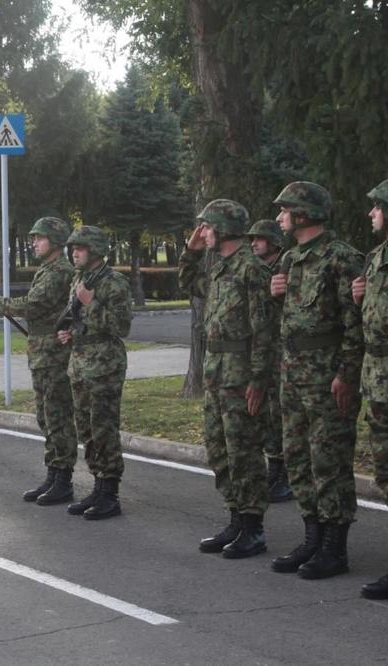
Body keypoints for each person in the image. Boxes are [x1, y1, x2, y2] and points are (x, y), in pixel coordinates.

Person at [269, 181, 363, 579]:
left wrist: (346, 375)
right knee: (298, 458)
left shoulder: (342, 258)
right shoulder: (291, 259)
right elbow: (290, 321)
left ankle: (334, 549)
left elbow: (354, 323)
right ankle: (312, 537)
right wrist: (276, 295)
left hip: (327, 377)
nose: (279, 217)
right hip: (294, 374)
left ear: (303, 214)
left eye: (284, 210)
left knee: (330, 462)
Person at [179, 201, 273, 559]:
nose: (202, 232)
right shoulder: (220, 270)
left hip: (241, 374)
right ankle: (235, 518)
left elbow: (265, 331)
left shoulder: (252, 270)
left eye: (206, 227)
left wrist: (259, 380)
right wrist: (191, 250)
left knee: (244, 452)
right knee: (219, 451)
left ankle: (253, 528)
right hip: (217, 374)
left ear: (223, 227)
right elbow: (187, 281)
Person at [0, 217, 76, 505]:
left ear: (56, 242)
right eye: (34, 238)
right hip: (42, 351)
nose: (34, 242)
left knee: (57, 415)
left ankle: (63, 479)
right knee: (46, 416)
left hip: (53, 354)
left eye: (40, 238)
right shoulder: (48, 269)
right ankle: (53, 472)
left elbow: (34, 306)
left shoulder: (60, 270)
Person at [57, 226, 132, 520]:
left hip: (105, 366)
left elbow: (120, 326)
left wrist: (90, 303)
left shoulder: (114, 282)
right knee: (86, 429)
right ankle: (98, 485)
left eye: (81, 247)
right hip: (80, 363)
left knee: (103, 428)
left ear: (96, 250)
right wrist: (69, 333)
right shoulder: (79, 279)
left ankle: (110, 493)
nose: (74, 252)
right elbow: (78, 321)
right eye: (73, 247)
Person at [352, 179, 388, 598]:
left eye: (377, 207)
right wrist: (359, 298)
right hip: (378, 378)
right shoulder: (376, 257)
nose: (371, 214)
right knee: (384, 469)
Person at [246, 220, 294, 503]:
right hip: (264, 353)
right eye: (252, 239)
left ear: (275, 242)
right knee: (268, 416)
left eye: (260, 239)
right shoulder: (258, 271)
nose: (254, 243)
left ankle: (284, 475)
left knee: (281, 415)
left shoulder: (284, 269)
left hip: (284, 353)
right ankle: (274, 470)